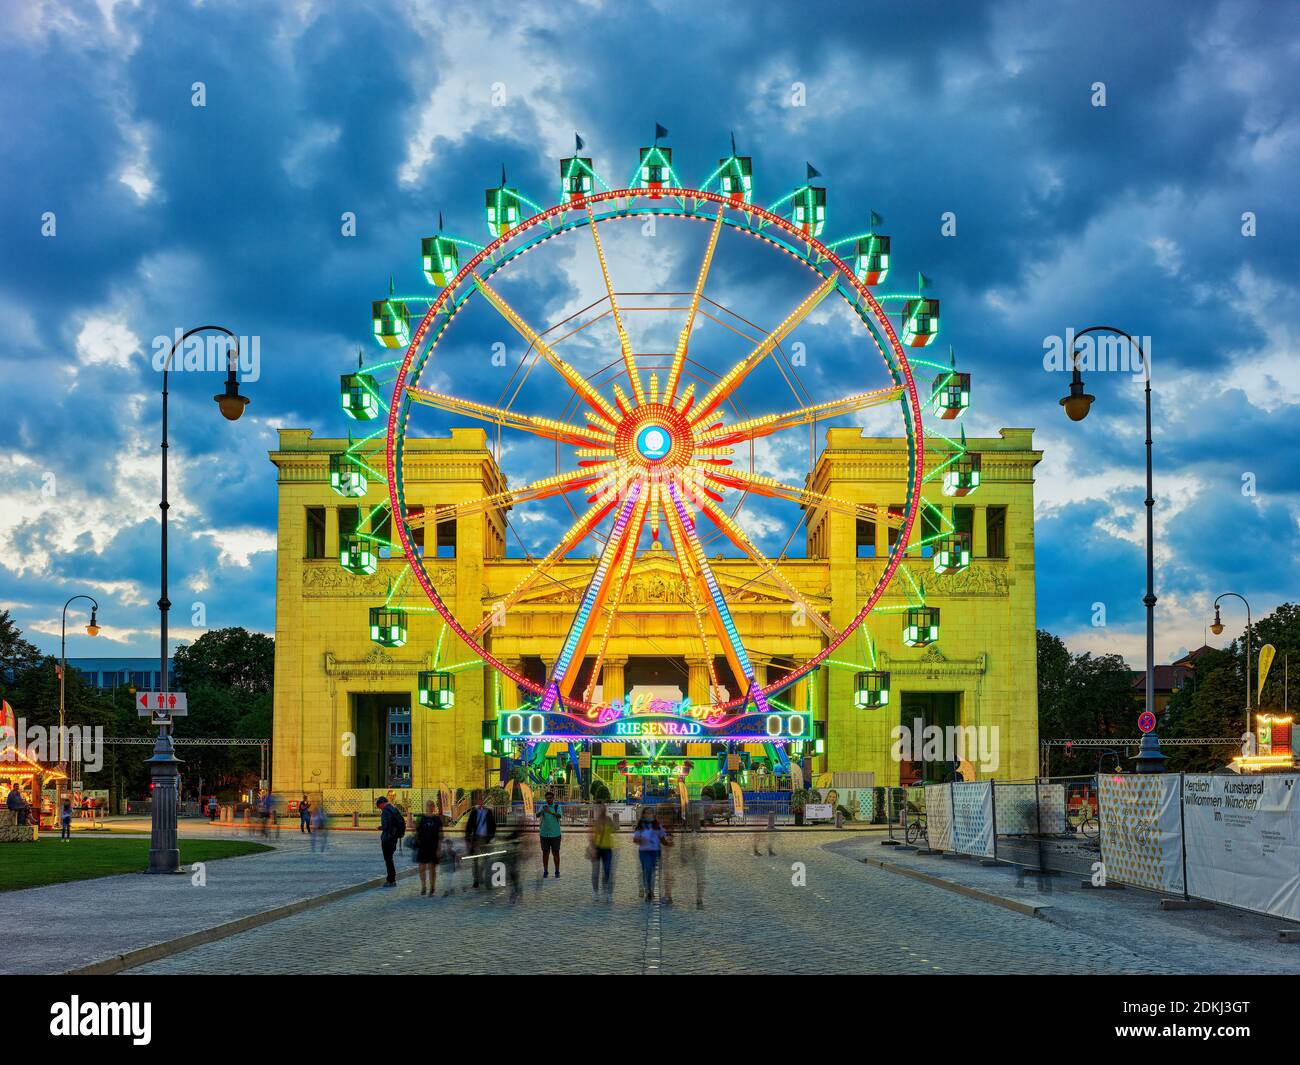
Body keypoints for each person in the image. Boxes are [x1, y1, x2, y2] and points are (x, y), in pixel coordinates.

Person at [632, 807, 669, 902]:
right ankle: (648, 890)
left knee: (653, 872)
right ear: (643, 815)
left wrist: (669, 844)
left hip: (655, 851)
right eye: (647, 813)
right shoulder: (640, 826)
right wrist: (641, 841)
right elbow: (635, 839)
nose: (649, 815)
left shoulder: (658, 826)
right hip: (644, 852)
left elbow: (662, 839)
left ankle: (651, 891)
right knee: (646, 872)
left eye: (650, 813)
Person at [463, 792, 496, 889]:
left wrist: (491, 836)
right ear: (477, 801)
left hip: (486, 839)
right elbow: (469, 826)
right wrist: (468, 839)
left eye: (482, 799)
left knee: (486, 859)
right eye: (479, 800)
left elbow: (493, 825)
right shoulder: (474, 812)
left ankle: (484, 876)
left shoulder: (488, 812)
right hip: (476, 838)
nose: (480, 801)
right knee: (476, 860)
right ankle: (476, 880)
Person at [588, 802, 616, 901]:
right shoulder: (595, 822)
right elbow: (591, 837)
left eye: (603, 808)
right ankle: (595, 892)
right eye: (600, 809)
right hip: (597, 848)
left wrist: (612, 824)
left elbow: (614, 829)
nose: (602, 810)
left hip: (607, 848)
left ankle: (605, 891)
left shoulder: (609, 819)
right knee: (595, 872)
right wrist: (593, 848)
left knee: (607, 871)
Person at [415, 801, 443, 897]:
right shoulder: (421, 818)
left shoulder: (437, 819)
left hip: (433, 846)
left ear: (434, 807)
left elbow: (440, 835)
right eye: (428, 805)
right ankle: (423, 886)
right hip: (423, 846)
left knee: (432, 868)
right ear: (425, 807)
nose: (430, 807)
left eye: (432, 805)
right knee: (421, 867)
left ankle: (432, 887)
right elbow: (416, 831)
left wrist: (439, 848)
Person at [376, 796, 404, 887]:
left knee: (388, 860)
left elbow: (386, 826)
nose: (380, 809)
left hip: (387, 838)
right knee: (390, 859)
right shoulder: (393, 809)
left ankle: (391, 880)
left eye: (379, 806)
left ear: (382, 804)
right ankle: (392, 879)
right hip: (394, 838)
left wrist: (380, 827)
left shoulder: (385, 811)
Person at [537, 789, 563, 878]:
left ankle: (557, 871)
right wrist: (542, 811)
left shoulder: (557, 807)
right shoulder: (543, 807)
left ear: (553, 798)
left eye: (550, 798)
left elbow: (560, 816)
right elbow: (537, 815)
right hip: (544, 834)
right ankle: (545, 871)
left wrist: (550, 812)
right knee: (545, 853)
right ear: (545, 798)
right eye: (547, 798)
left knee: (556, 852)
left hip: (555, 833)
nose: (549, 799)